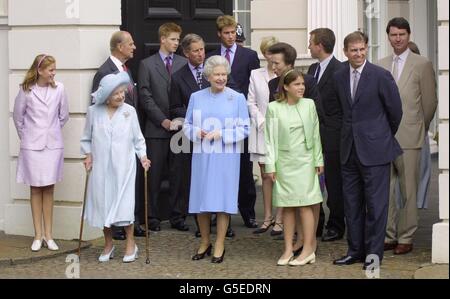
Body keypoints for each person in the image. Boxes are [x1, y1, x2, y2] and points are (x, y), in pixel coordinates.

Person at [333, 32, 403, 270]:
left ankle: (373, 256)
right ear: (345, 52)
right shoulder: (338, 75)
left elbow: (396, 112)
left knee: (376, 205)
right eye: (354, 50)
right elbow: (340, 111)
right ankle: (355, 251)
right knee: (351, 204)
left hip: (376, 150)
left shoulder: (381, 76)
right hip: (348, 150)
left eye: (362, 49)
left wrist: (379, 135)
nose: (359, 54)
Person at [378, 18, 438, 255]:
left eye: (402, 34)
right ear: (388, 36)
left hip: (410, 135)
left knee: (408, 189)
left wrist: (419, 127)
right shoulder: (381, 64)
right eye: (393, 34)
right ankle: (389, 234)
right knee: (387, 189)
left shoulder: (422, 64)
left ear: (409, 35)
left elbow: (430, 102)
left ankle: (406, 236)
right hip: (384, 137)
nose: (398, 38)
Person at [183, 55, 250, 263]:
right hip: (202, 155)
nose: (221, 78)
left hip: (226, 157)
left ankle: (220, 243)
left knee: (222, 200)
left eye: (224, 74)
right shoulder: (197, 97)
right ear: (208, 76)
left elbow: (245, 128)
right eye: (217, 74)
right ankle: (204, 241)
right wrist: (197, 132)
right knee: (202, 200)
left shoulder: (237, 98)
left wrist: (221, 134)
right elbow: (186, 125)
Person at [81, 72, 151, 263]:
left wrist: (143, 157)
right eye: (116, 93)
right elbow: (86, 138)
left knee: (124, 205)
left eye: (122, 92)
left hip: (124, 167)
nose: (121, 96)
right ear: (106, 96)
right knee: (103, 205)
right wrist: (87, 155)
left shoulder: (129, 111)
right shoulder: (93, 112)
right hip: (100, 167)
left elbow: (138, 139)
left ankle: (131, 244)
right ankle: (108, 244)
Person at [264, 69, 324, 266]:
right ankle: (288, 249)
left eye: (303, 84)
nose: (301, 88)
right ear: (286, 87)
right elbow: (269, 139)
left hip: (306, 162)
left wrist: (318, 160)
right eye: (297, 84)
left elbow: (315, 134)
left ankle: (308, 250)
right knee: (287, 207)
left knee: (306, 205)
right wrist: (270, 165)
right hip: (284, 162)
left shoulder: (309, 104)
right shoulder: (273, 108)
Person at [91, 31, 145, 240]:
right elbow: (98, 105)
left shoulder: (126, 70)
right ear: (119, 46)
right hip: (112, 140)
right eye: (130, 44)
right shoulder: (104, 71)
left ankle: (130, 220)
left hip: (128, 138)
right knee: (113, 181)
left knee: (129, 181)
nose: (134, 47)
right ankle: (115, 226)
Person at [208, 15, 260, 231]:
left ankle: (248, 212)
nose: (230, 37)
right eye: (226, 33)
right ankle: (218, 214)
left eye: (233, 33)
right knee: (219, 169)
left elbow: (254, 87)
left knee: (244, 169)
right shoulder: (211, 56)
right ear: (219, 34)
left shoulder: (250, 55)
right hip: (216, 121)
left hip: (240, 118)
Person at [13, 54, 69, 252]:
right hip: (31, 147)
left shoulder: (60, 89)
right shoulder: (26, 90)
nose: (54, 73)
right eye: (51, 70)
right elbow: (18, 118)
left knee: (49, 188)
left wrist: (50, 132)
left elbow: (64, 116)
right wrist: (29, 136)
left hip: (52, 146)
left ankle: (49, 235)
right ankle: (37, 235)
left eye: (55, 69)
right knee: (35, 189)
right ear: (40, 71)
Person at [138, 22, 187, 232]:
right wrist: (163, 120)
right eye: (174, 39)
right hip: (156, 130)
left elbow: (187, 93)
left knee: (179, 174)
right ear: (163, 39)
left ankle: (178, 216)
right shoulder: (146, 65)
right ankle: (152, 216)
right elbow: (145, 97)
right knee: (154, 175)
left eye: (178, 39)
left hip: (180, 130)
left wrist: (179, 119)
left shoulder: (184, 63)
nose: (177, 43)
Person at [307, 28, 345, 242]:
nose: (309, 47)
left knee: (334, 183)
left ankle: (337, 224)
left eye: (311, 43)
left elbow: (343, 105)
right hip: (313, 135)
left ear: (320, 45)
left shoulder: (340, 70)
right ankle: (317, 223)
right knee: (313, 182)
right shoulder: (312, 69)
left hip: (333, 136)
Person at [168, 33, 208, 233]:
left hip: (211, 133)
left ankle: (212, 216)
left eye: (202, 49)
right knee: (183, 174)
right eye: (195, 50)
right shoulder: (178, 77)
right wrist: (195, 116)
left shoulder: (213, 72)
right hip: (187, 133)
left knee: (208, 175)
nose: (200, 54)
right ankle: (178, 215)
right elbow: (174, 107)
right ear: (186, 53)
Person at [247, 36, 284, 235]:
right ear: (263, 53)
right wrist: (262, 122)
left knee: (279, 175)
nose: (271, 56)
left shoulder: (284, 74)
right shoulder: (256, 74)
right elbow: (250, 101)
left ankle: (280, 217)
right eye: (268, 51)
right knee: (265, 175)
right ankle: (267, 216)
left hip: (281, 131)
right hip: (261, 130)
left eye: (274, 52)